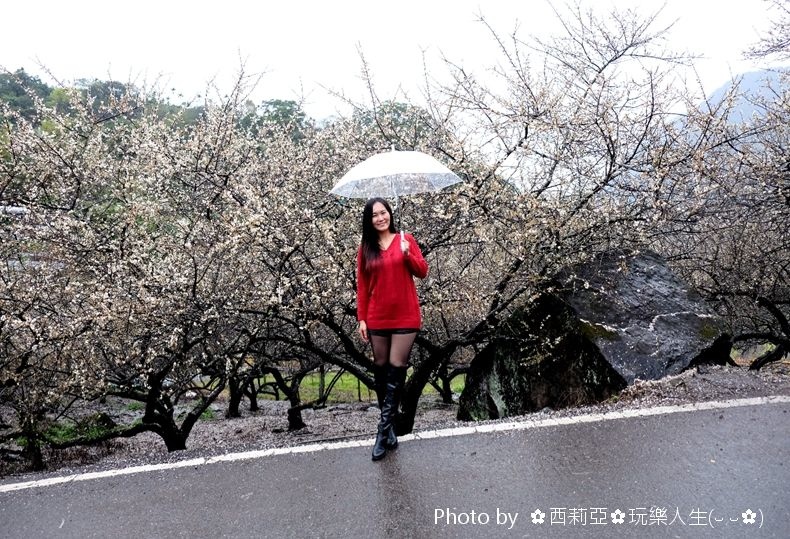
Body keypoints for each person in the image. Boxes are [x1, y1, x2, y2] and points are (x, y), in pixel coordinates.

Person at [356, 197, 429, 461]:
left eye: (383, 212)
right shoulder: (366, 248)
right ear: (369, 220)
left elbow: (422, 272)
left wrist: (409, 254)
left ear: (390, 214)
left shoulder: (405, 240)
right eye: (374, 215)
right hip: (377, 316)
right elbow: (362, 285)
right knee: (381, 370)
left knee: (397, 368)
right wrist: (362, 318)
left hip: (406, 315)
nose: (380, 218)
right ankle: (389, 431)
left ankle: (382, 430)